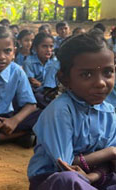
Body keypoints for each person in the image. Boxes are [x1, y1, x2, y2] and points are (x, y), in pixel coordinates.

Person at [27, 31, 116, 190]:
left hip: (95, 177)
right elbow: (65, 165)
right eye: (87, 74)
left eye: (108, 72)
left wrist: (92, 177)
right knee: (68, 181)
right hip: (53, 178)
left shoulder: (109, 112)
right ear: (65, 79)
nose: (101, 83)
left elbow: (109, 164)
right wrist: (110, 152)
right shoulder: (61, 109)